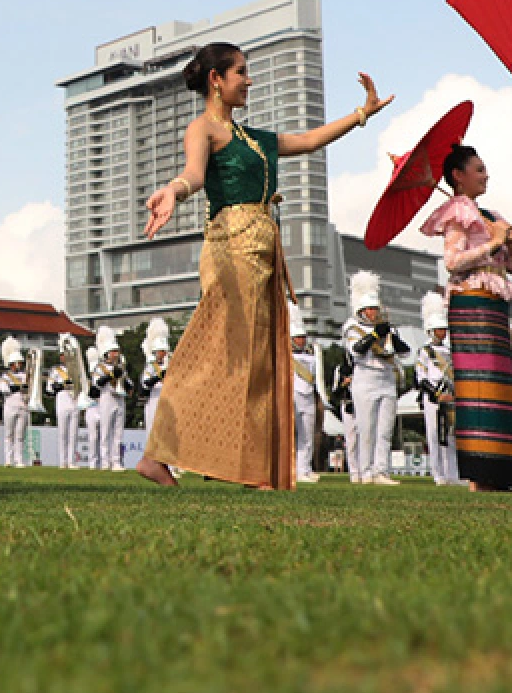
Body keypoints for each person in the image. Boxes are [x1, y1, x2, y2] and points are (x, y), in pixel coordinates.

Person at [135, 41, 392, 489]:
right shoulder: (204, 129)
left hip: (261, 247)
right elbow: (194, 173)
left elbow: (309, 140)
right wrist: (173, 191)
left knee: (255, 361)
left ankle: (241, 465)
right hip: (232, 248)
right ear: (216, 79)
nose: (248, 80)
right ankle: (159, 455)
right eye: (241, 72)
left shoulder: (254, 138)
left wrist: (362, 113)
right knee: (218, 352)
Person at [421, 145, 512, 492]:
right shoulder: (457, 213)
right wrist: (492, 243)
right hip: (470, 301)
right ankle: (481, 475)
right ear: (459, 175)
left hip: (496, 300)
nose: (485, 175)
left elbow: (511, 267)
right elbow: (452, 262)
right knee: (479, 385)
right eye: (479, 169)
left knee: (500, 382)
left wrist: (510, 245)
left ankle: (504, 471)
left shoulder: (489, 214)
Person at [344, 272, 405, 486]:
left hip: (386, 378)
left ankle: (381, 470)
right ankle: (365, 471)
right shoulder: (353, 327)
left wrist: (391, 335)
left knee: (385, 429)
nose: (373, 312)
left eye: (375, 308)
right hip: (365, 379)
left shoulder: (386, 327)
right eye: (369, 309)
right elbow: (356, 350)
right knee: (366, 429)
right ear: (361, 310)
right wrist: (376, 335)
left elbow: (404, 352)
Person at [415, 292, 459, 486]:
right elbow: (420, 378)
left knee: (450, 435)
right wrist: (436, 394)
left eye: (444, 330)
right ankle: (438, 474)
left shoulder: (449, 351)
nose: (443, 333)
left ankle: (452, 473)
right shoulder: (425, 351)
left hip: (449, 395)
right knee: (434, 435)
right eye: (439, 330)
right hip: (433, 397)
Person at [86, 332, 128, 471]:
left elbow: (128, 384)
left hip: (120, 399)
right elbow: (97, 383)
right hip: (106, 399)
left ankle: (116, 461)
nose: (116, 354)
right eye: (113, 352)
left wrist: (126, 381)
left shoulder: (121, 367)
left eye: (117, 351)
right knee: (105, 432)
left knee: (118, 432)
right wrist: (111, 375)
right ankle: (105, 462)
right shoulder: (99, 367)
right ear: (106, 353)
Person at [288, 305, 319, 482]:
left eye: (302, 338)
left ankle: (304, 469)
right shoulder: (285, 355)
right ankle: (294, 470)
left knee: (307, 436)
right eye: (297, 338)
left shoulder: (312, 355)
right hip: (293, 396)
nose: (301, 341)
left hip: (308, 396)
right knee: (292, 436)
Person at [325, 341, 362, 481]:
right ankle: (354, 472)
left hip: (364, 405)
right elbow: (334, 392)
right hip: (348, 404)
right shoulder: (340, 369)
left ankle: (366, 469)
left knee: (366, 438)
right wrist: (344, 384)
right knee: (351, 440)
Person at [0, 337, 32, 469]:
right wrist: (18, 387)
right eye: (17, 363)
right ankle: (8, 460)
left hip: (23, 406)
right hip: (10, 406)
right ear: (12, 363)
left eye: (20, 363)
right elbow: (4, 389)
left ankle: (19, 460)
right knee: (9, 434)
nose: (19, 365)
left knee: (20, 436)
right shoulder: (5, 376)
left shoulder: (25, 376)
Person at [48, 342, 82, 468]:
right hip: (62, 399)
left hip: (75, 400)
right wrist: (62, 385)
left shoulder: (77, 368)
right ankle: (63, 462)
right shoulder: (55, 370)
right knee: (63, 433)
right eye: (62, 355)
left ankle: (72, 461)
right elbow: (50, 388)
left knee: (73, 433)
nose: (64, 357)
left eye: (66, 355)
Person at [141, 317, 171, 436]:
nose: (163, 354)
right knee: (152, 434)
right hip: (154, 400)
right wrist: (159, 376)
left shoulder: (170, 364)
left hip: (167, 401)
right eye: (160, 351)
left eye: (164, 351)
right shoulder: (150, 366)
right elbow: (145, 383)